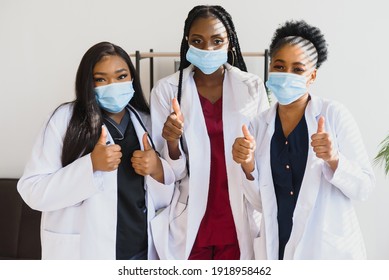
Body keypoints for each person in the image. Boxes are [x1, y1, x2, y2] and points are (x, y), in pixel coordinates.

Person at [17, 42, 175, 260]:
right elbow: (32, 191)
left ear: (132, 79)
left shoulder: (147, 122)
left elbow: (171, 194)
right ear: (88, 83)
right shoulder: (64, 120)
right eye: (101, 79)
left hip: (141, 251)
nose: (112, 85)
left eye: (121, 77)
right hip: (85, 253)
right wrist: (90, 165)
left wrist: (158, 169)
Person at [232, 20, 375, 259]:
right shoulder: (258, 125)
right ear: (270, 68)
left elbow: (364, 188)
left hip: (326, 252)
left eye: (298, 69)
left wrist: (333, 159)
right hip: (277, 248)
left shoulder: (334, 115)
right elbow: (261, 204)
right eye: (279, 66)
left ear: (312, 75)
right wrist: (247, 166)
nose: (287, 75)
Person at [149, 5, 269, 260]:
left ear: (230, 43)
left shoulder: (252, 87)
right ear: (187, 44)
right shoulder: (167, 90)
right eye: (197, 41)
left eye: (217, 41)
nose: (208, 49)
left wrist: (249, 159)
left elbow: (263, 160)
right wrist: (172, 142)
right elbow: (168, 173)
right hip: (191, 220)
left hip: (239, 217)